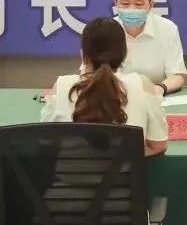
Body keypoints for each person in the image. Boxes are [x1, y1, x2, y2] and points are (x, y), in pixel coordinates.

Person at [42, 16, 168, 156]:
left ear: (83, 55)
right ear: (124, 54)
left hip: (69, 171)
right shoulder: (142, 85)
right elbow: (158, 146)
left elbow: (45, 142)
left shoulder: (62, 86)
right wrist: (121, 156)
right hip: (124, 170)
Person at [112, 0, 187, 96]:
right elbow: (90, 73)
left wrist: (160, 88)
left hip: (156, 99)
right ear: (116, 3)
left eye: (138, 4)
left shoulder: (167, 29)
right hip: (116, 99)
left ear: (150, 5)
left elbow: (177, 75)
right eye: (125, 3)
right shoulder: (105, 31)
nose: (131, 9)